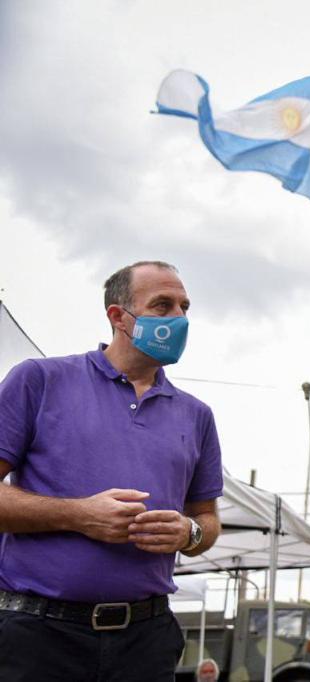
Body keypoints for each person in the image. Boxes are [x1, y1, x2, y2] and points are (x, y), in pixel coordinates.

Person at [0, 260, 223, 681]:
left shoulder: (197, 416)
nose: (179, 318)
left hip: (147, 642)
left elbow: (207, 520)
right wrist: (78, 515)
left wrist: (189, 533)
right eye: (163, 305)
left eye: (184, 307)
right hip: (39, 637)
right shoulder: (40, 381)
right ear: (119, 317)